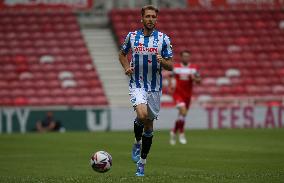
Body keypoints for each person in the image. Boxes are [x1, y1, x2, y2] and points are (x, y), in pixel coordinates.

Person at [118, 5, 173, 176]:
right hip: (137, 84)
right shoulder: (132, 37)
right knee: (141, 115)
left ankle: (142, 162)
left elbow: (170, 65)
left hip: (155, 88)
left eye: (153, 17)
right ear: (141, 18)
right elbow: (122, 54)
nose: (150, 19)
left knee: (149, 127)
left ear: (156, 19)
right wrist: (127, 67)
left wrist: (162, 60)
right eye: (147, 16)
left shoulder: (163, 39)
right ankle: (136, 141)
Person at [168, 50, 201, 145]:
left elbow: (199, 80)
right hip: (178, 94)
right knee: (183, 112)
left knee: (182, 115)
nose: (186, 58)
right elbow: (170, 77)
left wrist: (195, 79)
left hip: (188, 95)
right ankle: (181, 133)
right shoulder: (176, 67)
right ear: (181, 57)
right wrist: (170, 85)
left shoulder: (194, 68)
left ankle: (174, 132)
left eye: (187, 56)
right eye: (184, 56)